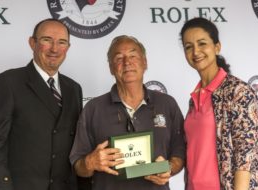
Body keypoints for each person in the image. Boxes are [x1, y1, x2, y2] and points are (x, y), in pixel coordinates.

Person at [0, 18, 88, 190]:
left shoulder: (74, 89)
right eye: (47, 40)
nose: (54, 49)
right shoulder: (8, 82)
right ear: (32, 43)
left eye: (62, 42)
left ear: (67, 47)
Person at [69, 35, 185, 190]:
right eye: (119, 58)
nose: (127, 62)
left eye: (133, 56)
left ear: (145, 62)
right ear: (110, 67)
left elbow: (180, 152)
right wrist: (90, 162)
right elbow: (78, 166)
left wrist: (169, 167)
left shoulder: (167, 103)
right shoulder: (93, 108)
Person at [180, 17, 258, 190]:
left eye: (202, 43)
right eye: (189, 47)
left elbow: (245, 156)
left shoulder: (238, 91)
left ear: (217, 47)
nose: (196, 52)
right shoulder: (193, 99)